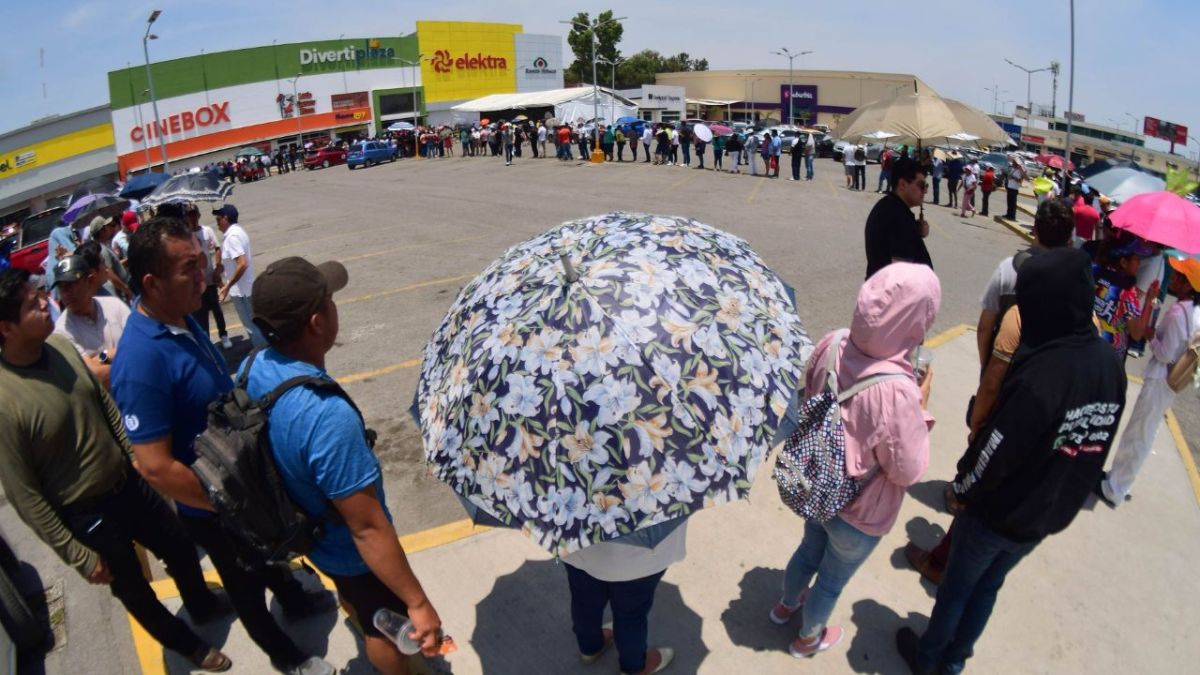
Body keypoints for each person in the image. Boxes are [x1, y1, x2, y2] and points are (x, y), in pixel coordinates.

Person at [112, 217, 336, 675]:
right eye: (190, 268)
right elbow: (153, 466)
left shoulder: (180, 316)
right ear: (152, 283)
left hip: (241, 476)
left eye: (202, 261)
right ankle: (286, 657)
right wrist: (228, 505)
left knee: (268, 553)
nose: (205, 275)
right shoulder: (140, 361)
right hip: (214, 505)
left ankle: (293, 599)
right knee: (245, 584)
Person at [897, 247, 1127, 675]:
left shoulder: (1045, 372)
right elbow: (1098, 442)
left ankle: (929, 661)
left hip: (997, 513)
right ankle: (954, 663)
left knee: (957, 590)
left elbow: (996, 449)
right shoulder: (1108, 364)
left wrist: (962, 489)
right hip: (1047, 515)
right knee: (988, 588)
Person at [0, 268, 233, 672]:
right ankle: (189, 646)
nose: (44, 302)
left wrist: (136, 457)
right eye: (30, 302)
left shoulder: (60, 347)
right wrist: (77, 555)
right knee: (134, 589)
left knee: (179, 547)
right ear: (5, 328)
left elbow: (104, 404)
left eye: (39, 294)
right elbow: (25, 496)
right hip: (87, 515)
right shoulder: (5, 400)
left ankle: (201, 603)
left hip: (128, 483)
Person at [243, 257, 446, 674]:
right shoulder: (325, 416)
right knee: (384, 624)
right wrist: (419, 603)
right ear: (317, 322)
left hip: (307, 531)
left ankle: (359, 610)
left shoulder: (255, 366)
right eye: (330, 300)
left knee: (358, 600)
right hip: (347, 548)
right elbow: (367, 527)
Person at [773, 263, 938, 658]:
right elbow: (907, 471)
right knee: (830, 581)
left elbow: (810, 396)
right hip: (860, 513)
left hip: (817, 486)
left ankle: (785, 606)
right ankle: (807, 639)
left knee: (808, 550)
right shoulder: (899, 391)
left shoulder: (833, 342)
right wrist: (922, 401)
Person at [907, 200, 1075, 585]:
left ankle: (946, 547)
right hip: (1047, 401)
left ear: (1035, 231)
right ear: (1070, 239)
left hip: (1004, 386)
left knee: (983, 459)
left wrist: (987, 375)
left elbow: (985, 327)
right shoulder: (1075, 285)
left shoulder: (1010, 271)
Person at [1097, 256, 1200, 506]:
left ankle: (1115, 487)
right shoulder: (1193, 312)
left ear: (1188, 286)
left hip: (1159, 379)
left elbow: (1164, 353)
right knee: (1144, 432)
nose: (1174, 279)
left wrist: (1151, 336)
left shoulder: (1178, 313)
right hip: (1170, 383)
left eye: (1179, 276)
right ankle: (1120, 480)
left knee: (1138, 433)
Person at [563, 522, 685, 674]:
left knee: (584, 601)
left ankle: (589, 648)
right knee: (631, 616)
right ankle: (633, 669)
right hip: (638, 560)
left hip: (579, 546)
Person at [51, 255, 131, 388]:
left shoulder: (114, 305)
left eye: (71, 285)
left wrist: (101, 358)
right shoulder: (61, 332)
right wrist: (113, 356)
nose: (66, 293)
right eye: (61, 287)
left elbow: (139, 346)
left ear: (90, 280)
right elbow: (94, 377)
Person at [864, 158, 933, 279]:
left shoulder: (889, 206)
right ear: (902, 184)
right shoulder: (899, 217)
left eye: (926, 186)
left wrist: (915, 233)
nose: (925, 191)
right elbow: (900, 277)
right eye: (921, 186)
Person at [1092, 237, 1159, 361]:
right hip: (1108, 359)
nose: (1139, 263)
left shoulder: (1092, 271)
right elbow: (1137, 333)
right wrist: (1149, 300)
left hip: (1083, 346)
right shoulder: (1126, 291)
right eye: (1136, 259)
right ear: (1123, 262)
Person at [214, 204, 267, 348]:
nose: (217, 221)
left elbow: (242, 263)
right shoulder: (238, 232)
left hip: (242, 292)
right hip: (245, 288)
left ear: (226, 218)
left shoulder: (232, 237)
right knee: (256, 326)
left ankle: (262, 355)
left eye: (219, 218)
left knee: (252, 327)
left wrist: (227, 286)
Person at [184, 203, 230, 349]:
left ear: (198, 215)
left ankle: (223, 335)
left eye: (194, 214)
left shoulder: (207, 230)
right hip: (197, 282)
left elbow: (217, 248)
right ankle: (207, 340)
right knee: (201, 313)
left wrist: (218, 267)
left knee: (216, 308)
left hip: (210, 277)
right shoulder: (185, 235)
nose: (192, 218)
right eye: (189, 215)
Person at [1004, 155, 1027, 220]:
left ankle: (1012, 216)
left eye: (1014, 162)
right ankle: (1008, 214)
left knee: (1013, 203)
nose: (1013, 163)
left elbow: (1020, 181)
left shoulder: (1020, 171)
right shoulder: (1012, 169)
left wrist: (1013, 178)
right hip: (1009, 187)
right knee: (1009, 202)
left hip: (1014, 188)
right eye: (1013, 162)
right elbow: (1009, 176)